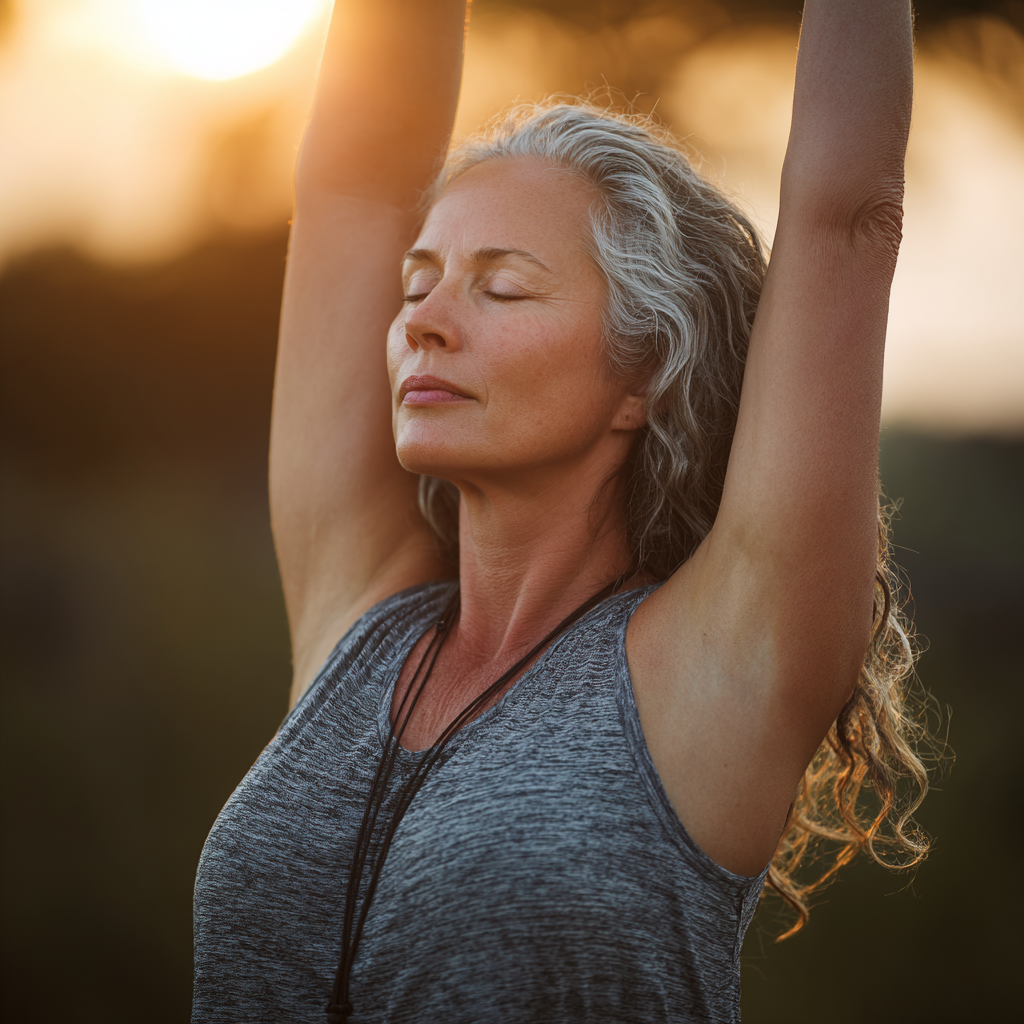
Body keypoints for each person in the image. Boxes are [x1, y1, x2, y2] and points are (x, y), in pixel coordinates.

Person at [192, 1, 932, 1021]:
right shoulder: (359, 617)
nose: (423, 324)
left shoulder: (714, 670)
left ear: (645, 371)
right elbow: (353, 190)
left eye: (499, 289)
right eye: (419, 282)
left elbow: (844, 211)